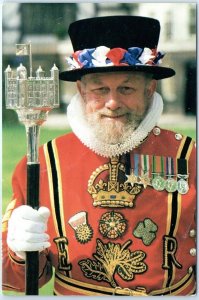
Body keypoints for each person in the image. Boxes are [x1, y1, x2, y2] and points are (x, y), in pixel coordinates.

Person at [2, 16, 196, 296]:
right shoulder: (43, 163)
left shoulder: (189, 157)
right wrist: (19, 253)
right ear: (81, 91)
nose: (113, 102)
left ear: (149, 89)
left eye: (126, 88)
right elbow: (17, 280)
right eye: (100, 89)